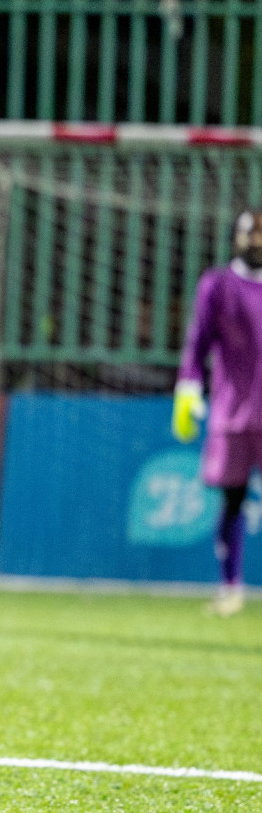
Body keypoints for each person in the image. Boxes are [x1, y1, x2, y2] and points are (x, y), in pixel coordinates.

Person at [173, 208, 262, 617]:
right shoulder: (218, 284)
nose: (256, 240)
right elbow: (197, 343)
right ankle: (230, 588)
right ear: (237, 237)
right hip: (232, 412)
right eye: (250, 233)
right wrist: (188, 389)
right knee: (232, 500)